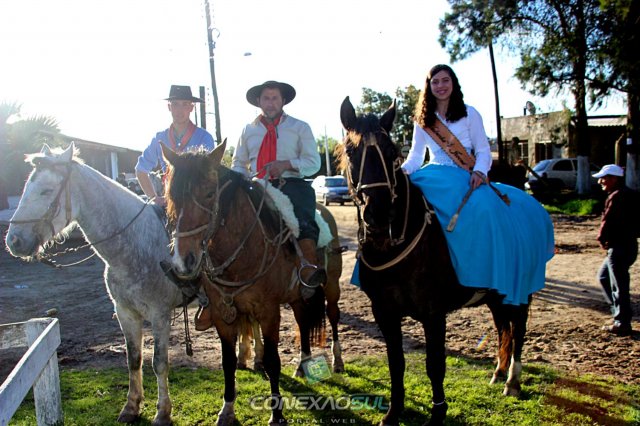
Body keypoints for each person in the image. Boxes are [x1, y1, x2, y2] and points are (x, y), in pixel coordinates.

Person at [401, 64, 555, 305]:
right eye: (435, 82)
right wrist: (403, 171)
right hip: (431, 175)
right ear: (428, 87)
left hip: (464, 174)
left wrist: (480, 171)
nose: (440, 86)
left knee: (486, 208)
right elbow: (416, 156)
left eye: (445, 80)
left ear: (453, 83)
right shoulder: (423, 120)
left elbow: (483, 150)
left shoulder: (469, 113)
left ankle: (489, 272)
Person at [231, 80, 327, 292]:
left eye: (275, 98)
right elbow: (238, 163)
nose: (270, 103)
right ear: (259, 101)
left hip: (291, 183)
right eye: (266, 98)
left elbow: (313, 163)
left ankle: (308, 269)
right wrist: (240, 180)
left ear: (283, 101)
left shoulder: (300, 127)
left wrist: (286, 164)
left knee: (302, 218)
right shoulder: (248, 130)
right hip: (256, 185)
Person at [135, 85, 215, 207]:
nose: (179, 110)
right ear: (169, 107)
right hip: (169, 204)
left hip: (196, 206)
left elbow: (210, 175)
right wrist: (154, 198)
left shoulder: (204, 138)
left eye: (185, 104)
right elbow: (140, 169)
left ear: (191, 108)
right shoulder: (159, 138)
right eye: (175, 104)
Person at [594, 164, 639, 335]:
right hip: (629, 244)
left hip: (618, 246)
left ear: (614, 179)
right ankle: (618, 314)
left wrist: (601, 238)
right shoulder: (630, 194)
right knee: (604, 277)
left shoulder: (616, 196)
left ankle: (622, 322)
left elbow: (608, 220)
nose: (600, 182)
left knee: (619, 284)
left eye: (603, 178)